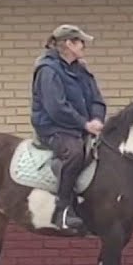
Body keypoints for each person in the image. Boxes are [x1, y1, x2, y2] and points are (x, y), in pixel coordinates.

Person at [30, 24, 107, 232]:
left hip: (82, 127)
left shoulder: (81, 70)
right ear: (68, 44)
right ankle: (62, 212)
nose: (84, 46)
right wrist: (85, 124)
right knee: (74, 153)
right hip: (54, 129)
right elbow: (56, 108)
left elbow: (96, 99)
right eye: (81, 42)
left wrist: (97, 119)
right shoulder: (48, 71)